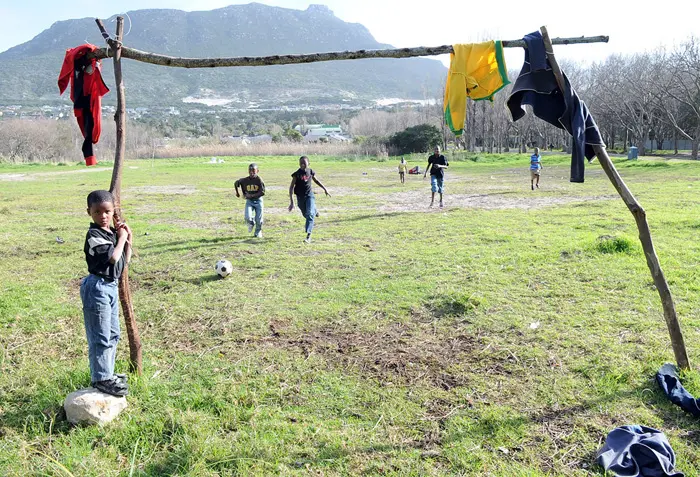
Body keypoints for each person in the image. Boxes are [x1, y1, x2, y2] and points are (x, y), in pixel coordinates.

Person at [80, 190, 132, 397]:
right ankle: (101, 378)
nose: (103, 216)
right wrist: (121, 239)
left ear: (113, 212)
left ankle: (107, 373)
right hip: (97, 287)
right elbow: (112, 257)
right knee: (100, 336)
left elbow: (123, 262)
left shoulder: (111, 233)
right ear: (89, 212)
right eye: (97, 212)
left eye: (107, 211)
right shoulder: (94, 235)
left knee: (112, 334)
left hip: (110, 286)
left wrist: (128, 238)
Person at [288, 156, 330, 243]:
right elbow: (291, 187)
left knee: (310, 215)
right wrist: (292, 202)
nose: (303, 164)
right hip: (300, 197)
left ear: (309, 163)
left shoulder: (310, 171)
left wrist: (325, 189)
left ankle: (308, 235)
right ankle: (315, 210)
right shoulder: (296, 174)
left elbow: (316, 181)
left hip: (309, 196)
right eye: (301, 163)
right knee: (306, 214)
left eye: (304, 163)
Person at [234, 163, 265, 238]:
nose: (251, 172)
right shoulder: (245, 180)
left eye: (253, 171)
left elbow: (262, 192)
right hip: (249, 202)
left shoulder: (259, 180)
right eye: (250, 171)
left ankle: (258, 232)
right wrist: (237, 193)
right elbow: (236, 183)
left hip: (258, 201)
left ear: (257, 171)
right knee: (247, 217)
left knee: (259, 219)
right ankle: (251, 223)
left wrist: (251, 195)